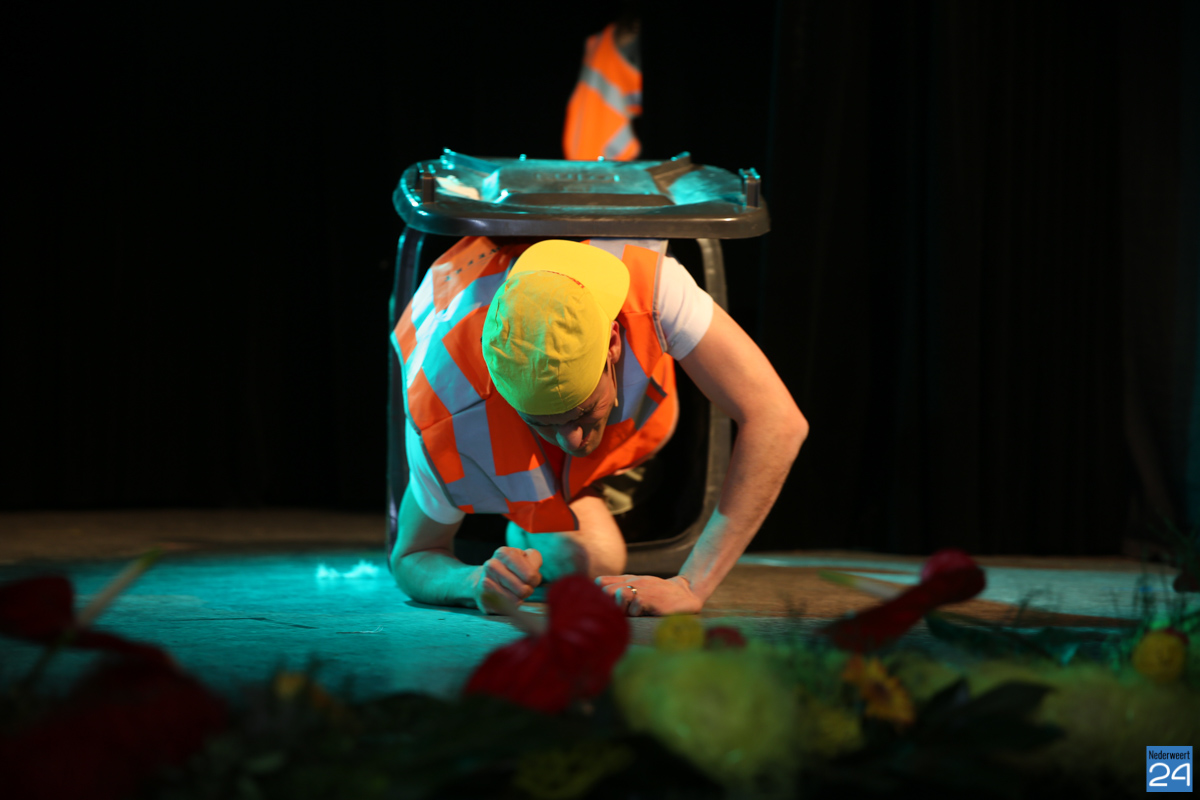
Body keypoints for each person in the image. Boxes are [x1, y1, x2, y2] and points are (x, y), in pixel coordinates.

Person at [389, 236, 806, 616]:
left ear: (613, 343)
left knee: (594, 555)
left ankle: (555, 487)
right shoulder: (446, 403)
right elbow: (412, 555)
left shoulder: (652, 286)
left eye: (582, 413)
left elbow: (778, 420)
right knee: (593, 559)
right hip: (503, 439)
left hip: (623, 436)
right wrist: (471, 581)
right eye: (543, 422)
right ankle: (532, 508)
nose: (571, 440)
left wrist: (691, 585)